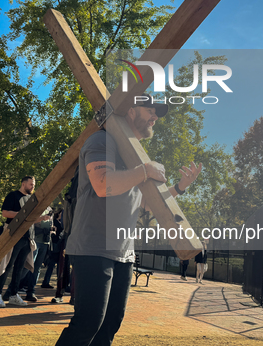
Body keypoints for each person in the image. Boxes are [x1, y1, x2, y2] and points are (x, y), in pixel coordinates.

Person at [55, 94, 203, 345]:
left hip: (123, 253)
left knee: (110, 324)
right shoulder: (102, 140)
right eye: (151, 110)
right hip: (93, 247)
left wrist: (179, 187)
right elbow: (103, 185)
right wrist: (145, 171)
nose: (155, 117)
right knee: (88, 323)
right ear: (131, 110)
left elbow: (144, 205)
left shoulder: (135, 156)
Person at [0, 176, 50, 307]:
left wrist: (41, 218)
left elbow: (29, 219)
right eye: (31, 185)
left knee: (20, 268)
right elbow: (5, 213)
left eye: (34, 185)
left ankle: (13, 294)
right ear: (23, 184)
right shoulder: (13, 196)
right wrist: (21, 215)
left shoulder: (31, 199)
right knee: (7, 265)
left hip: (28, 237)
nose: (33, 187)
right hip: (13, 235)